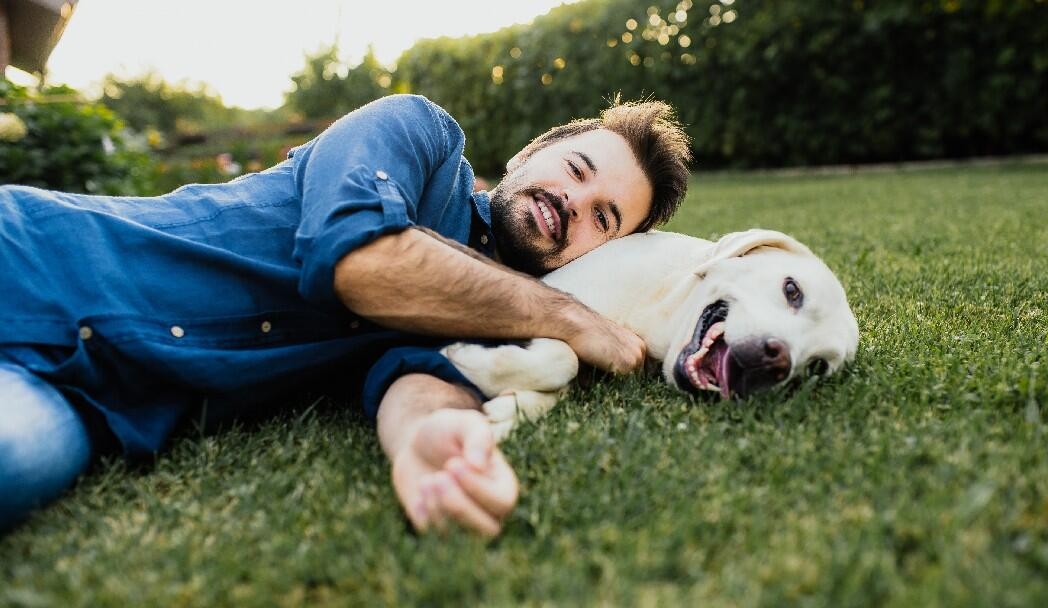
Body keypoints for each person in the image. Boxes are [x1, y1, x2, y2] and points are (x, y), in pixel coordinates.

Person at [0, 94, 691, 536]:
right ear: (528, 154)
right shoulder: (419, 133)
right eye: (575, 169)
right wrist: (570, 317)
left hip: (97, 402)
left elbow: (409, 377)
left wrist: (430, 436)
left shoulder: (494, 319)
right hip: (32, 256)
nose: (575, 202)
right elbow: (361, 260)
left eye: (604, 217)